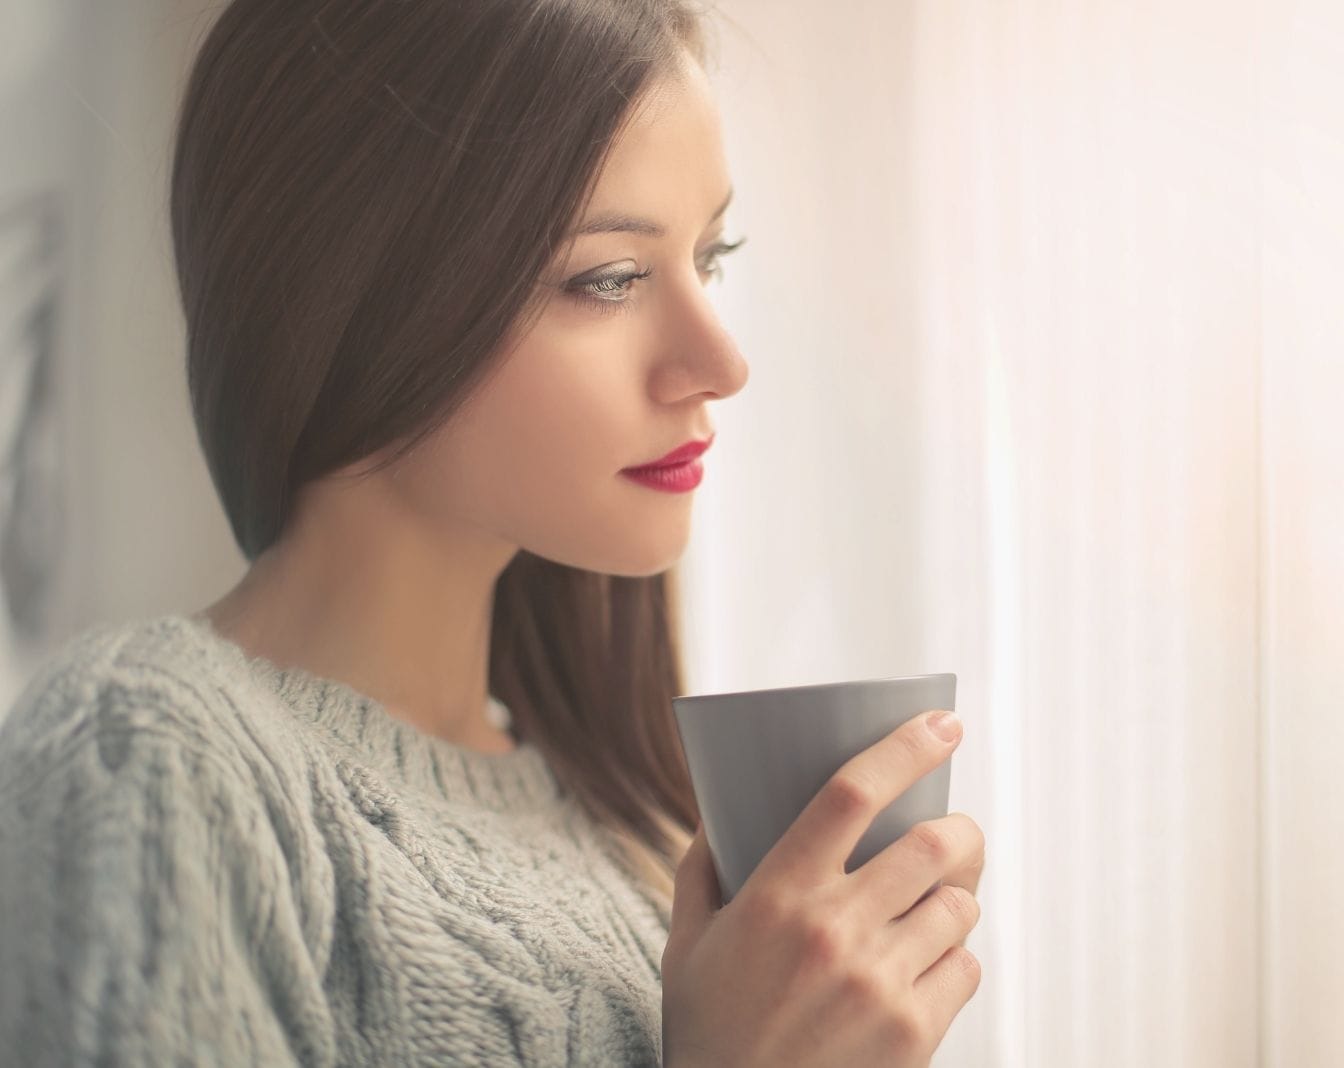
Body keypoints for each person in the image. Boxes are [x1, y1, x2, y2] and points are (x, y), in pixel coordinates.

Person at [0, 0, 985, 1064]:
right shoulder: (144, 754)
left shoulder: (632, 826)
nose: (720, 360)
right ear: (356, 293)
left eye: (710, 256)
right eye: (607, 279)